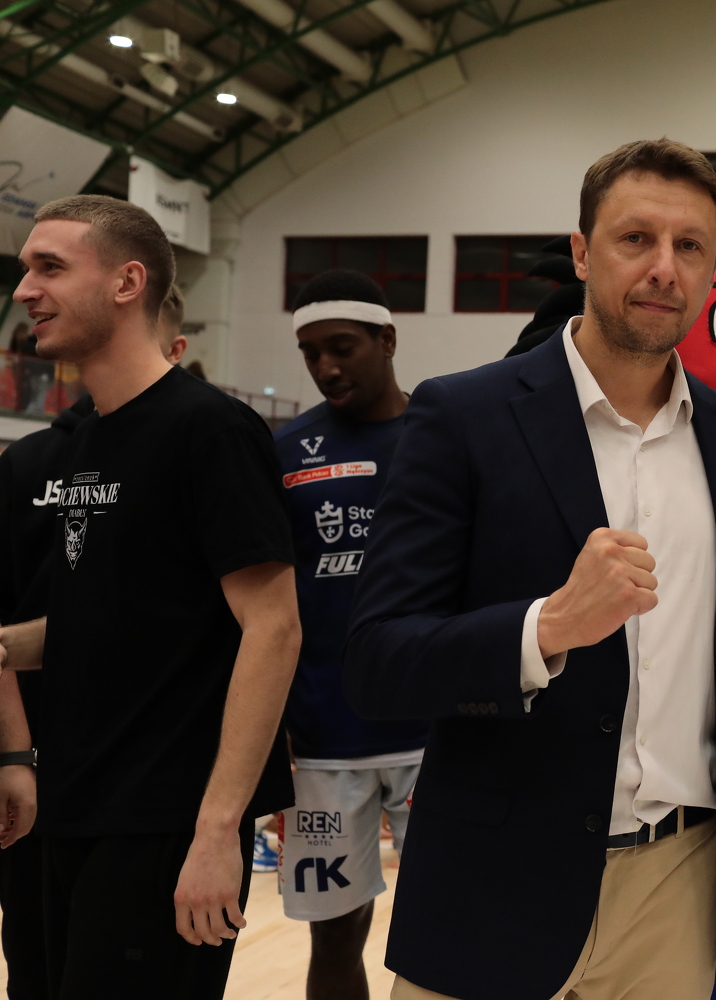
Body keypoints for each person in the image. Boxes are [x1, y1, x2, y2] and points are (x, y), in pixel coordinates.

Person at [344, 140, 716, 1000]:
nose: (664, 268)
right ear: (581, 252)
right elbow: (377, 661)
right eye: (635, 239)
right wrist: (548, 628)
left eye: (690, 246)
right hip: (494, 881)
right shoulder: (464, 414)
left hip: (679, 887)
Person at [0, 195, 298, 999]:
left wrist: (218, 830)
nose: (24, 289)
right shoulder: (83, 441)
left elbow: (273, 629)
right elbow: (110, 619)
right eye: (25, 269)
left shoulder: (210, 430)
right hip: (69, 808)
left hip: (164, 821)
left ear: (127, 282)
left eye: (50, 267)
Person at [0, 283, 188, 999]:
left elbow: (249, 624)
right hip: (41, 773)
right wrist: (15, 753)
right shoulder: (27, 463)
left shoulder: (197, 442)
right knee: (37, 966)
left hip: (143, 778)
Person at [272, 268, 426, 999]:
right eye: (311, 354)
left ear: (387, 340)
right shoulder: (286, 451)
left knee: (453, 928)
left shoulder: (443, 435)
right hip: (323, 740)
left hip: (435, 733)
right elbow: (271, 607)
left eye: (342, 348)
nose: (326, 367)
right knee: (333, 937)